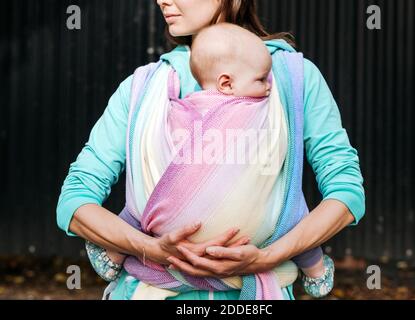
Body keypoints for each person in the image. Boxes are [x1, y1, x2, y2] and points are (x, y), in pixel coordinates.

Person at [57, 0, 365, 300]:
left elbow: (346, 191)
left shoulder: (291, 79)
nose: (162, 1)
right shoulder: (143, 89)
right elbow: (74, 202)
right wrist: (149, 248)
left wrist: (268, 257)